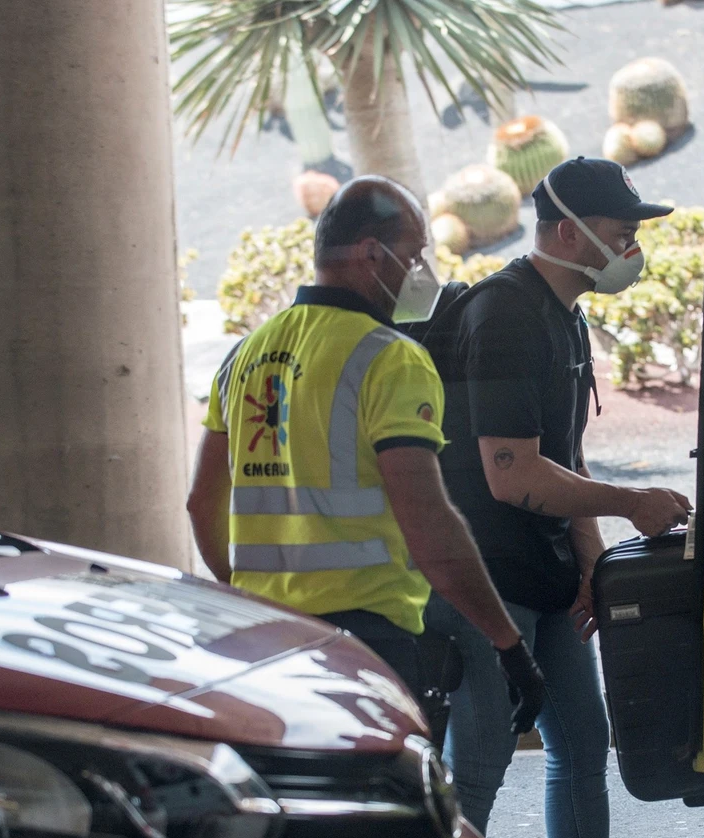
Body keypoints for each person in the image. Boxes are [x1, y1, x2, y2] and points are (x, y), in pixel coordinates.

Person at [418, 157, 689, 838]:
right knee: (482, 768)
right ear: (568, 230)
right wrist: (631, 502)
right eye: (621, 231)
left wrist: (591, 559)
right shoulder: (503, 315)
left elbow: (560, 458)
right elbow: (509, 474)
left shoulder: (563, 319)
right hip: (482, 582)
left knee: (583, 743)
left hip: (541, 577)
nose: (632, 246)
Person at [186, 175, 545, 740]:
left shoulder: (246, 354)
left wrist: (248, 589)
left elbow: (200, 501)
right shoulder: (390, 359)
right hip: (362, 646)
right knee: (381, 814)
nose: (421, 270)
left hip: (265, 636)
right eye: (414, 253)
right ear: (372, 256)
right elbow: (430, 530)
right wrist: (509, 644)